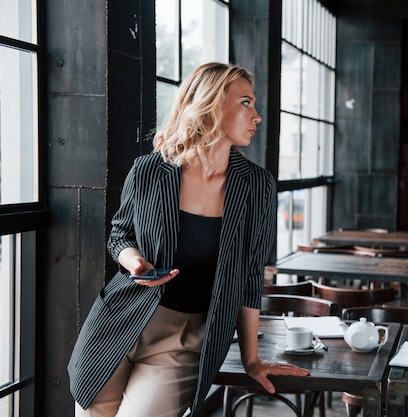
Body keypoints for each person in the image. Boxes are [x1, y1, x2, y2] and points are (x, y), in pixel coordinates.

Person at [67, 62, 310, 417]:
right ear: (211, 104)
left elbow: (250, 276)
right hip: (119, 319)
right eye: (246, 102)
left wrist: (251, 358)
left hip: (184, 338)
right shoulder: (150, 169)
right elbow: (120, 235)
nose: (257, 116)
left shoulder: (256, 185)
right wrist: (134, 261)